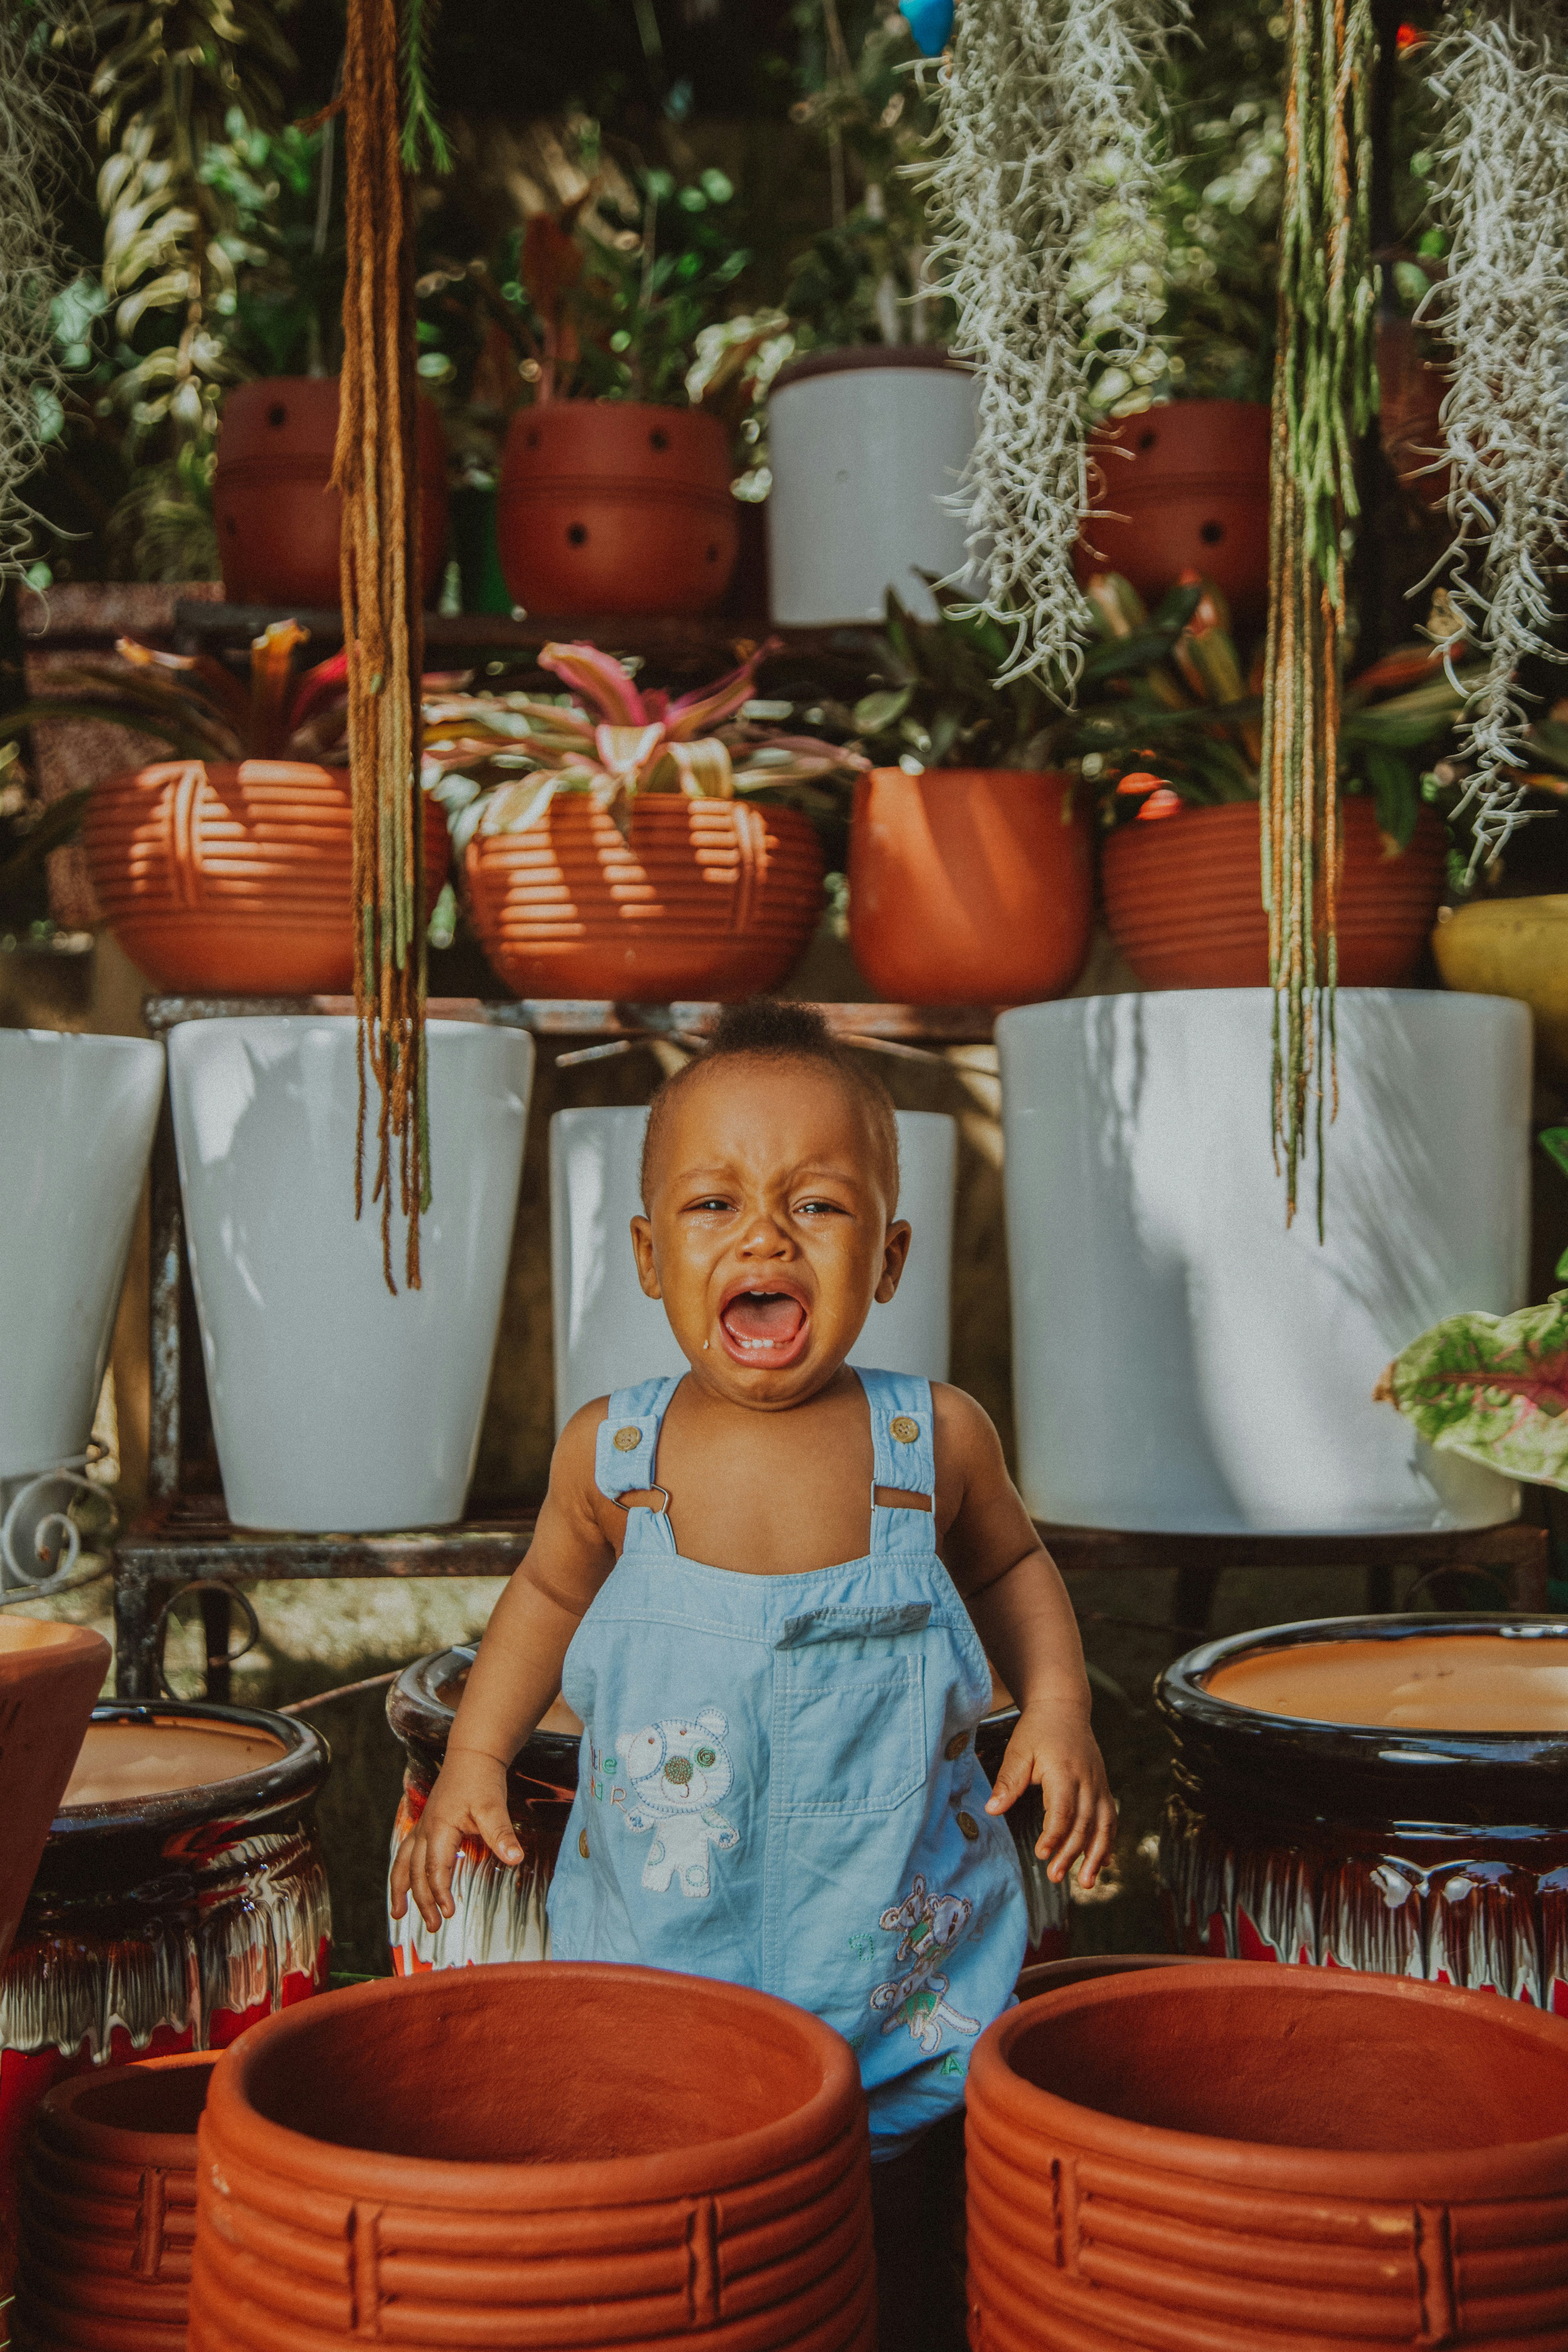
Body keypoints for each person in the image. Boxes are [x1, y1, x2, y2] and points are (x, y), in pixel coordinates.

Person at [391, 998, 1117, 2349]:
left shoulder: (932, 1441)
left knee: (907, 2235)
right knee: (670, 2221)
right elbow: (546, 1600)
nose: (766, 1236)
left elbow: (1016, 1572)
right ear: (650, 1256)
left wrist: (1058, 1709)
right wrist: (475, 1761)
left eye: (820, 1208)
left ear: (890, 1257)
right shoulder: (616, 1455)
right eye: (716, 1204)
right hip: (673, 1948)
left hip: (900, 1948)